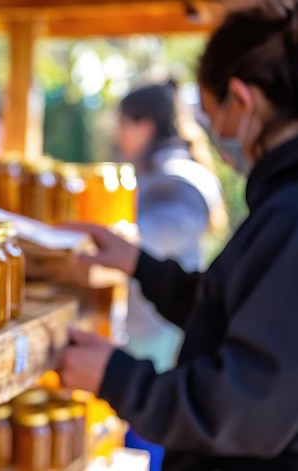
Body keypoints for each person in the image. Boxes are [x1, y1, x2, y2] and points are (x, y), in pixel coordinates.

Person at [59, 2, 298, 469]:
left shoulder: (290, 213)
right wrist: (141, 265)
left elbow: (246, 407)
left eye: (212, 117)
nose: (216, 135)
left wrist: (120, 378)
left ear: (242, 100)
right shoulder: (280, 200)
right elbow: (238, 311)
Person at [116, 81, 224, 373]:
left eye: (124, 123)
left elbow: (153, 238)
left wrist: (117, 237)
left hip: (159, 324)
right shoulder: (154, 171)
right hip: (145, 318)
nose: (118, 133)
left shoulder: (179, 179)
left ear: (146, 126)